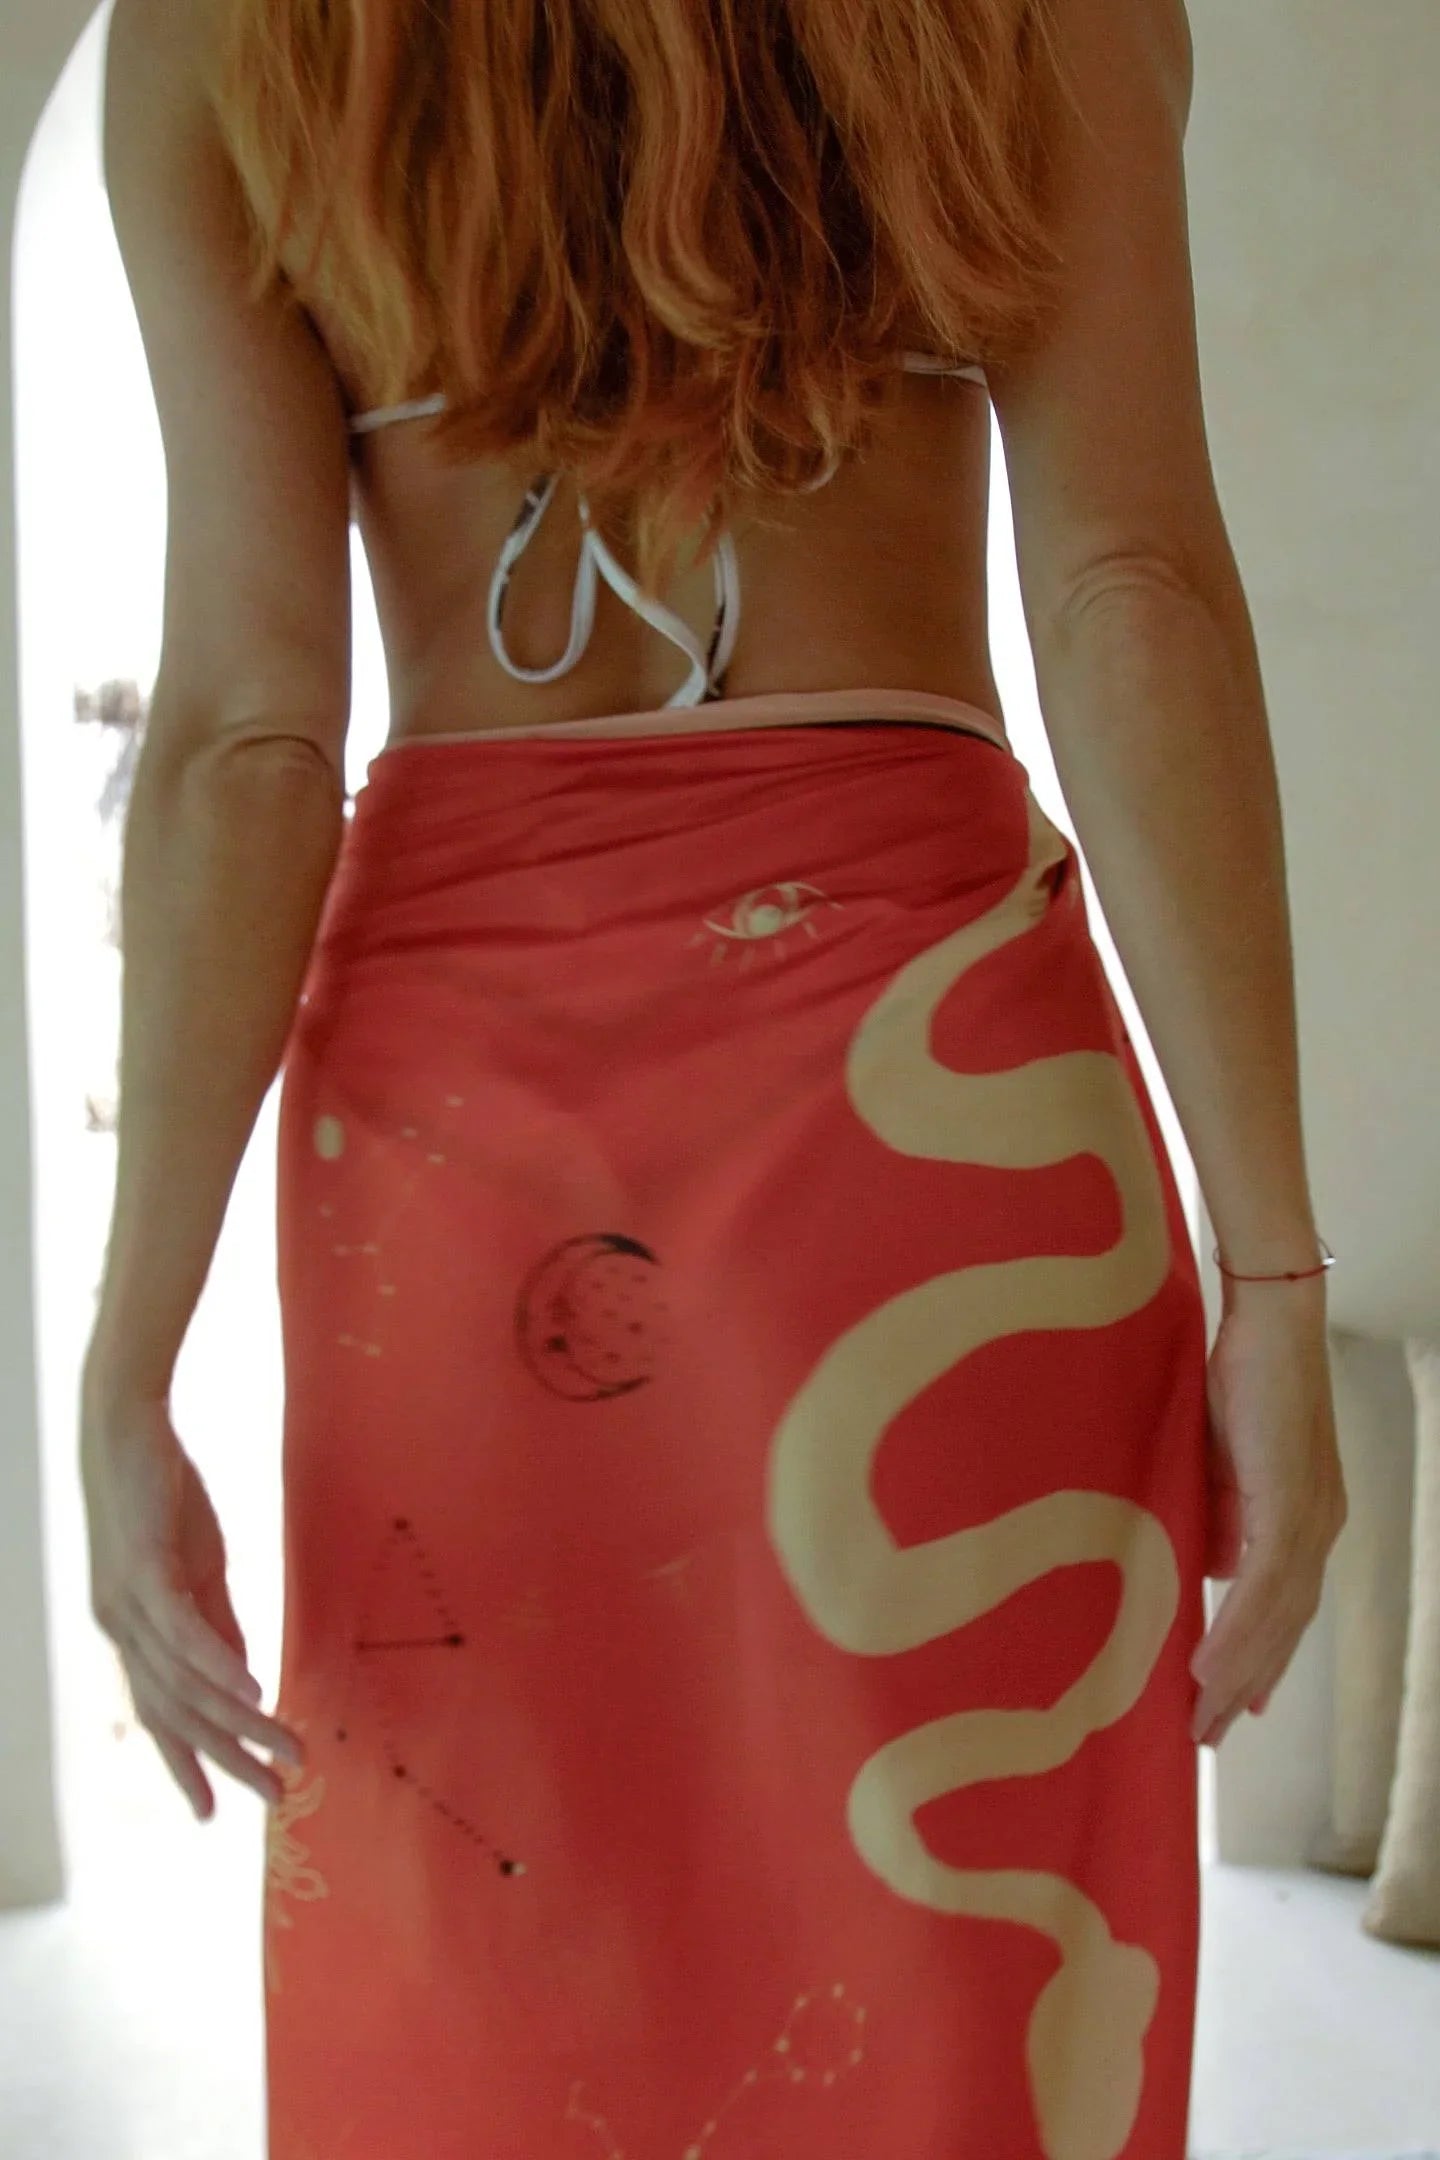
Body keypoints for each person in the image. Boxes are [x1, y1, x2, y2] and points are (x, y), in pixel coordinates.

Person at [78, 0, 1346, 2153]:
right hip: (938, 1105)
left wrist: (132, 1361)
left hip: (465, 1155)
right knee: (961, 1993)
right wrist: (1279, 1285)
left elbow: (248, 742)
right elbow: (1132, 590)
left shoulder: (216, 37)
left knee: (501, 1984)